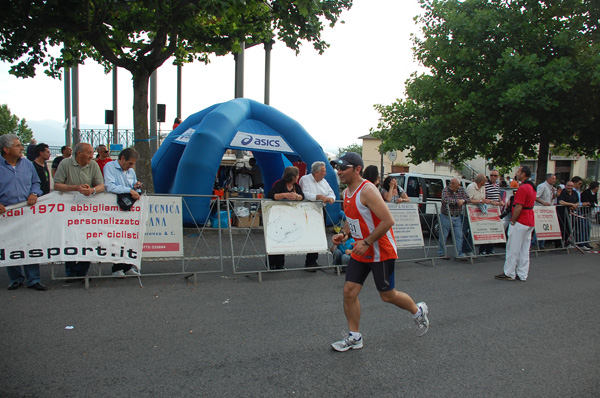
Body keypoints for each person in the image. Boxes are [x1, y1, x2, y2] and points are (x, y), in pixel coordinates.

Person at [330, 152, 429, 352]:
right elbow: (353, 218)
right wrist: (344, 234)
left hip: (380, 251)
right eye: (337, 168)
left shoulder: (368, 190)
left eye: (343, 168)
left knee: (387, 295)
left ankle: (417, 311)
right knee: (349, 291)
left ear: (357, 169)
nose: (338, 171)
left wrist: (366, 242)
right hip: (361, 249)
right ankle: (354, 336)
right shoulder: (347, 193)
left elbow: (388, 221)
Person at [0, 134, 47, 291]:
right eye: (17, 145)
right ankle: (15, 278)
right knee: (10, 244)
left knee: (30, 243)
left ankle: (34, 279)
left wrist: (34, 193)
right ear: (6, 149)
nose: (22, 148)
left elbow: (36, 183)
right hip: (6, 212)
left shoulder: (27, 164)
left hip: (27, 211)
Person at [54, 142, 105, 278]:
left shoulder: (93, 164)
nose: (91, 155)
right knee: (69, 238)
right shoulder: (65, 164)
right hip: (68, 208)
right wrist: (75, 188)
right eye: (88, 152)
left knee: (87, 238)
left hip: (87, 208)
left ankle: (82, 271)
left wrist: (92, 190)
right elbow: (57, 185)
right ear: (79, 153)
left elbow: (101, 185)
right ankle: (70, 272)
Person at [103, 147, 144, 277]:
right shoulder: (110, 167)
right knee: (118, 237)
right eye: (130, 163)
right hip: (115, 206)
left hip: (129, 206)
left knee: (130, 237)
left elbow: (131, 187)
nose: (131, 167)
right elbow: (109, 186)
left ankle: (128, 266)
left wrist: (135, 187)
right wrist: (128, 190)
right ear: (122, 159)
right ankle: (117, 268)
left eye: (133, 164)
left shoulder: (131, 171)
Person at [495, 166, 536, 281]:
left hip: (521, 220)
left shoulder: (523, 188)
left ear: (523, 174)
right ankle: (522, 273)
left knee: (513, 247)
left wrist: (513, 220)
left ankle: (509, 272)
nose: (517, 173)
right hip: (529, 219)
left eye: (518, 171)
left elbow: (519, 206)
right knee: (524, 249)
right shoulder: (532, 187)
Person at [299, 161, 336, 271]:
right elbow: (304, 194)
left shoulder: (324, 182)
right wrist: (318, 196)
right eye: (323, 172)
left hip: (321, 209)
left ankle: (313, 260)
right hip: (308, 210)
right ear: (316, 172)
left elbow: (331, 193)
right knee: (310, 235)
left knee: (319, 234)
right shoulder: (305, 179)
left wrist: (330, 199)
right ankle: (309, 261)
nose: (325, 174)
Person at [266, 166, 304, 270]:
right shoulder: (279, 184)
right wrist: (285, 195)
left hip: (289, 215)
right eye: (296, 175)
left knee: (283, 237)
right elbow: (271, 195)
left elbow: (302, 196)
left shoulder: (296, 186)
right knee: (274, 237)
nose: (298, 177)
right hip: (276, 214)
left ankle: (280, 263)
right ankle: (270, 263)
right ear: (291, 176)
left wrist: (297, 196)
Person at [438, 178, 470, 259]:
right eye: (450, 183)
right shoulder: (446, 190)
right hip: (446, 215)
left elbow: (468, 199)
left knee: (459, 235)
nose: (450, 184)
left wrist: (463, 200)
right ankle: (442, 253)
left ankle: (458, 254)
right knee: (444, 235)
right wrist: (457, 201)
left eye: (453, 183)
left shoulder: (462, 190)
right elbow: (445, 199)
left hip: (457, 216)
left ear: (458, 185)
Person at [464, 174, 493, 255]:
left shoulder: (483, 187)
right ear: (481, 181)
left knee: (473, 232)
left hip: (477, 212)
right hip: (468, 213)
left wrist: (485, 201)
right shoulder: (471, 187)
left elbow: (482, 198)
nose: (486, 182)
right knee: (464, 232)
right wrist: (481, 201)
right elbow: (468, 200)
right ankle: (463, 250)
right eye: (485, 181)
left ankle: (469, 249)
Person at [479, 170, 504, 255]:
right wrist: (491, 202)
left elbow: (497, 194)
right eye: (492, 175)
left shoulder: (497, 185)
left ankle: (490, 249)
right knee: (486, 229)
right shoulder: (485, 185)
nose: (493, 177)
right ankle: (482, 249)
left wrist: (501, 201)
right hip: (488, 208)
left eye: (495, 176)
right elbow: (483, 196)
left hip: (495, 209)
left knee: (493, 229)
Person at [532, 173, 557, 249]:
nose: (554, 180)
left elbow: (550, 198)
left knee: (545, 227)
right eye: (553, 179)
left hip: (546, 210)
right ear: (548, 179)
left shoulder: (551, 187)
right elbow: (536, 197)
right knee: (539, 227)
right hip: (540, 210)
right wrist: (543, 202)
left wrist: (555, 194)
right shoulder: (542, 186)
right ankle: (535, 244)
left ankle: (541, 244)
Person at [557, 181, 579, 248]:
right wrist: (571, 204)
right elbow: (561, 202)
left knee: (570, 228)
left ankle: (566, 241)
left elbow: (577, 202)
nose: (570, 187)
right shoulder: (562, 192)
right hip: (562, 214)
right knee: (561, 229)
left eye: (571, 186)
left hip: (571, 213)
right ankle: (559, 244)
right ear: (565, 186)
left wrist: (575, 205)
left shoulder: (574, 193)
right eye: (568, 186)